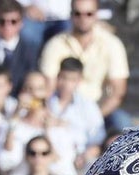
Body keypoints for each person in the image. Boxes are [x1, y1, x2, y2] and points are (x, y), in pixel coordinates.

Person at [38, 0, 131, 131]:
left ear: (96, 15)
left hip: (100, 110)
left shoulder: (112, 44)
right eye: (78, 14)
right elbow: (48, 88)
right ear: (71, 15)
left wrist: (93, 118)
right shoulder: (55, 44)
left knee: (123, 123)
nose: (83, 18)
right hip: (62, 110)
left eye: (89, 14)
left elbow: (117, 93)